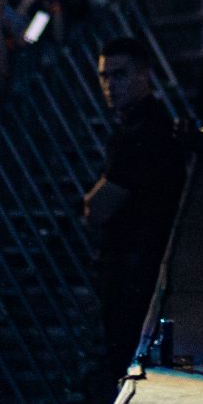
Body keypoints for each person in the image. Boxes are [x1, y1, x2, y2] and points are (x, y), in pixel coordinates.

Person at [81, 37, 188, 366]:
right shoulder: (141, 127)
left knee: (126, 354)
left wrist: (90, 204)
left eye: (120, 75)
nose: (110, 85)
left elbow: (98, 208)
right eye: (104, 77)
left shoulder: (142, 133)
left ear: (146, 75)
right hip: (135, 263)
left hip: (135, 267)